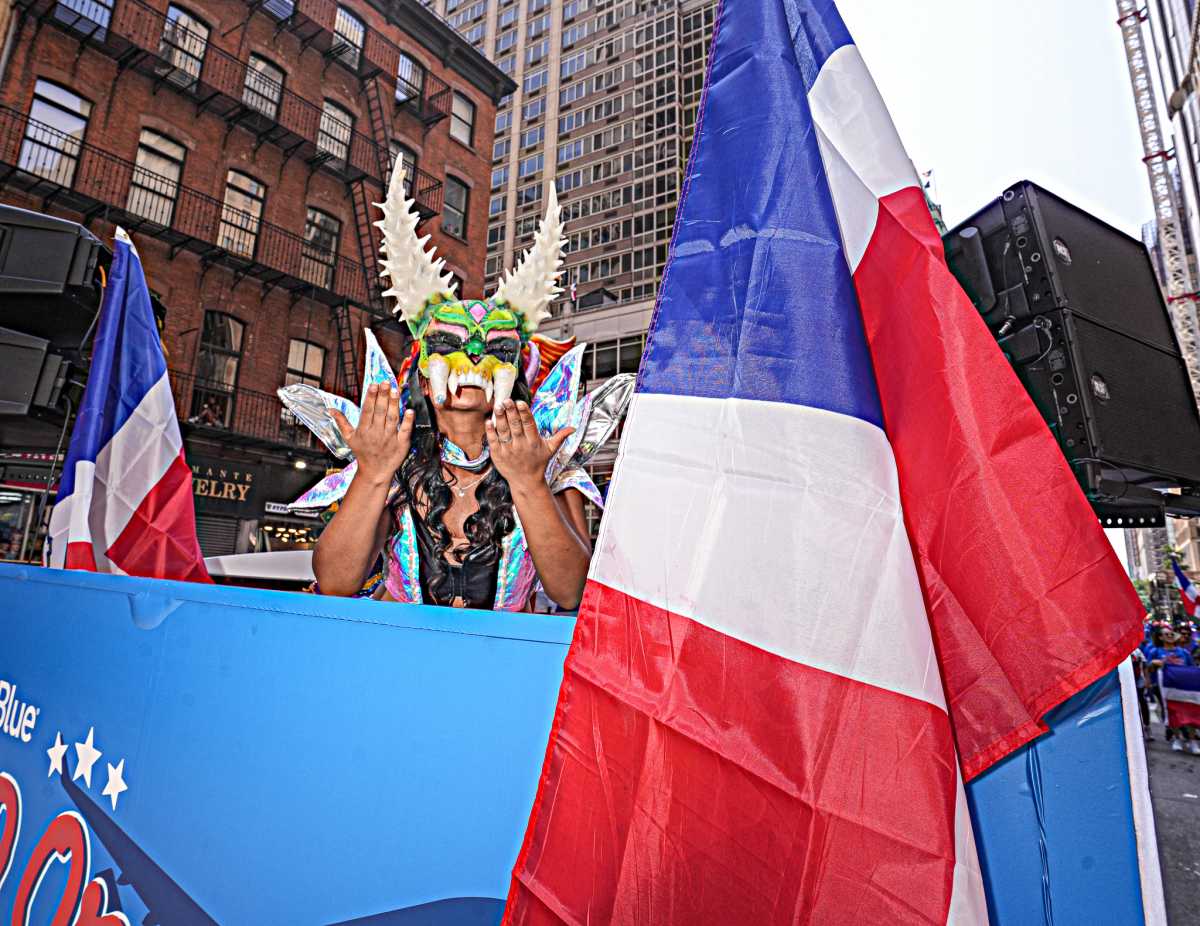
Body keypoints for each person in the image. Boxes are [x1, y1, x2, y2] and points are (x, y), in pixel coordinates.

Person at [311, 165, 604, 612]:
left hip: (503, 667)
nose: (472, 359)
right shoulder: (391, 459)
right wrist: (373, 472)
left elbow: (571, 593)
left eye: (496, 347)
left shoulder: (549, 456)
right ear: (424, 378)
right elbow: (334, 582)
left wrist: (528, 482)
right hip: (402, 660)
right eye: (448, 343)